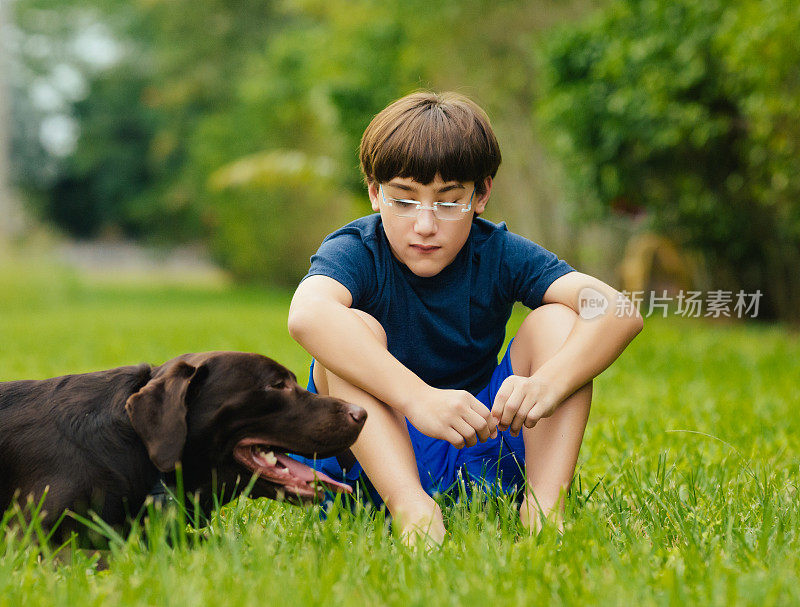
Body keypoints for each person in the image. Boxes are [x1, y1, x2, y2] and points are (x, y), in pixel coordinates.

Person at [287, 91, 643, 545]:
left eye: (448, 200)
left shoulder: (497, 252)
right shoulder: (358, 250)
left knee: (558, 320)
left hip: (480, 437)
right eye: (405, 200)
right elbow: (307, 314)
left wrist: (546, 384)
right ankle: (412, 511)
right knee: (347, 331)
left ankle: (543, 508)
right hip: (379, 461)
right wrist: (418, 398)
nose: (425, 225)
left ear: (481, 194)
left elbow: (616, 309)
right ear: (375, 193)